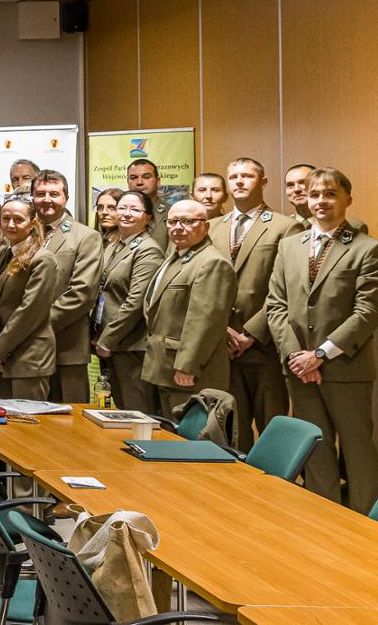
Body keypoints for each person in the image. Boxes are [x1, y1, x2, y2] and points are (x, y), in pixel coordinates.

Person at [267, 167, 378, 512]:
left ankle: (364, 530)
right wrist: (296, 357)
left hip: (346, 368)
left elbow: (367, 312)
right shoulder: (288, 246)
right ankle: (324, 521)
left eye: (330, 194)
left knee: (358, 453)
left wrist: (320, 355)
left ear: (347, 199)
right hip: (298, 369)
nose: (321, 201)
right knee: (315, 451)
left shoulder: (366, 248)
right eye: (315, 194)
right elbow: (275, 305)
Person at [215, 157, 300, 449]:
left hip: (263, 345)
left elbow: (288, 288)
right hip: (222, 345)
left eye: (247, 176)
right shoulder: (213, 226)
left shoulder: (285, 227)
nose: (239, 181)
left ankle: (280, 491)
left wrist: (250, 333)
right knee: (232, 430)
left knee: (272, 429)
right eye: (233, 176)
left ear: (263, 182)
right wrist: (222, 329)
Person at [140, 200, 238, 413]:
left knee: (187, 440)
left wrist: (188, 365)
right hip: (164, 367)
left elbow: (205, 321)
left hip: (189, 373)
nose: (178, 227)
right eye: (173, 221)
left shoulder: (211, 262)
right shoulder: (177, 256)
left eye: (187, 221)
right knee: (167, 437)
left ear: (205, 226)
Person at [31, 170, 101, 402]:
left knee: (69, 423)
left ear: (66, 198)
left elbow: (82, 293)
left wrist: (32, 325)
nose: (47, 199)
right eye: (40, 193)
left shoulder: (85, 237)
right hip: (24, 351)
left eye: (54, 193)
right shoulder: (21, 234)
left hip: (65, 346)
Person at [0, 199, 60, 400]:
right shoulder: (0, 255)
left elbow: (30, 311)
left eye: (18, 219)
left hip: (29, 356)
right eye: (5, 218)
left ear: (32, 223)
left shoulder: (43, 259)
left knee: (28, 423)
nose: (10, 225)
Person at [94, 191, 164, 412]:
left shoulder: (148, 249)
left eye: (135, 209)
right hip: (113, 344)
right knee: (119, 410)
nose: (126, 214)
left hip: (131, 346)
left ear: (148, 218)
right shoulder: (116, 245)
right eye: (121, 208)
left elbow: (135, 301)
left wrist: (108, 339)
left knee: (137, 413)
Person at [128, 158, 168, 249]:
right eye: (133, 178)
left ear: (158, 181)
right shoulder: (120, 214)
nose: (139, 182)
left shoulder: (172, 213)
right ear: (128, 182)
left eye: (146, 177)